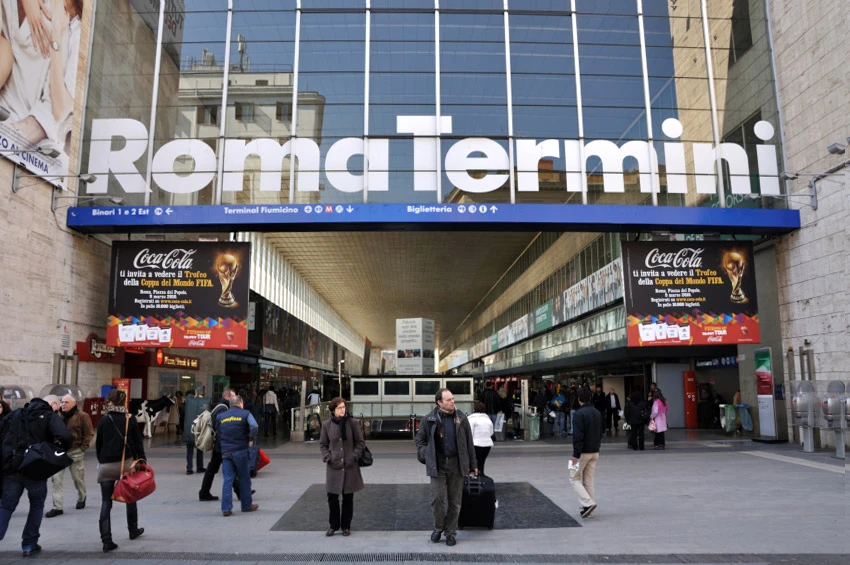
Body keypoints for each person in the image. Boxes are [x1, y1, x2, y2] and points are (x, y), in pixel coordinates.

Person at [0, 395, 72, 557]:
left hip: (12, 466)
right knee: (37, 505)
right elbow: (65, 436)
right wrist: (58, 449)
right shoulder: (49, 416)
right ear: (53, 403)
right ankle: (29, 544)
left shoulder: (18, 413)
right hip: (35, 467)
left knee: (6, 506)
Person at [414, 388, 477, 547]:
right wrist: (425, 454)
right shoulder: (429, 419)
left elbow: (469, 442)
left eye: (453, 399)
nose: (452, 402)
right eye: (448, 400)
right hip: (438, 464)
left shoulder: (461, 417)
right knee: (437, 500)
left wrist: (473, 465)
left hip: (457, 464)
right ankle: (438, 527)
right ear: (439, 402)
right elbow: (420, 440)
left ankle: (450, 532)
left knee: (455, 501)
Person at [95, 389, 145, 553]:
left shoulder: (104, 420)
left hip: (106, 466)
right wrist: (142, 461)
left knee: (105, 502)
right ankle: (133, 530)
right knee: (130, 497)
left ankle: (106, 540)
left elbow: (99, 445)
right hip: (126, 464)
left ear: (110, 402)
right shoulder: (129, 419)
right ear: (123, 402)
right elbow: (138, 443)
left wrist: (102, 460)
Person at [319, 397, 365, 537]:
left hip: (349, 465)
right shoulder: (327, 425)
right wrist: (328, 457)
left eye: (344, 407)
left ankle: (346, 526)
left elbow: (360, 442)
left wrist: (354, 456)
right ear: (333, 410)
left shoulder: (352, 423)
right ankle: (333, 525)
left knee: (347, 497)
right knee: (332, 497)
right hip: (334, 466)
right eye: (339, 408)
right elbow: (323, 444)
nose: (342, 410)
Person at [45, 394, 93, 517]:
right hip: (59, 452)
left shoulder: (82, 416)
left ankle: (82, 497)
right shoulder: (57, 416)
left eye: (66, 402)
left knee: (78, 478)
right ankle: (58, 507)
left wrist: (82, 449)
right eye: (62, 402)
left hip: (75, 451)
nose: (63, 404)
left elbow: (89, 434)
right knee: (56, 480)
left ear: (74, 403)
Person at [215, 395, 259, 516]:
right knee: (244, 478)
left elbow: (217, 430)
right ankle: (246, 505)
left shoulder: (221, 416)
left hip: (226, 451)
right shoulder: (245, 414)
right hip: (240, 450)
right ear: (240, 403)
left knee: (228, 480)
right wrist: (250, 437)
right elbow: (254, 426)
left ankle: (226, 509)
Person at [569, 387, 603, 519]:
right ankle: (590, 509)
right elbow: (601, 431)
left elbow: (578, 436)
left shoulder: (578, 414)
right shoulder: (597, 412)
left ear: (579, 400)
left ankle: (588, 504)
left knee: (573, 477)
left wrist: (575, 455)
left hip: (582, 453)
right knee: (588, 480)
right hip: (595, 451)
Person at [199, 388, 238, 501]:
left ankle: (204, 492)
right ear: (228, 397)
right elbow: (222, 426)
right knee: (225, 468)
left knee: (215, 468)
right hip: (222, 445)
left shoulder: (220, 406)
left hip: (220, 445)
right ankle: (204, 492)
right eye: (233, 397)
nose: (235, 399)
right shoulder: (223, 408)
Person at [182, 389, 208, 475]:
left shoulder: (187, 404)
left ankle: (189, 468)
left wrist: (184, 429)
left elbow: (182, 416)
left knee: (189, 450)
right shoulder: (202, 403)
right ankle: (199, 467)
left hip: (189, 429)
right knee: (200, 449)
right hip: (199, 430)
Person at [466, 401, 494, 476]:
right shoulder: (488, 420)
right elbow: (491, 432)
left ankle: (474, 479)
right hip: (487, 444)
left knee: (474, 463)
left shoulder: (471, 419)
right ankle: (481, 477)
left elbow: (469, 433)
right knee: (481, 462)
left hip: (476, 444)